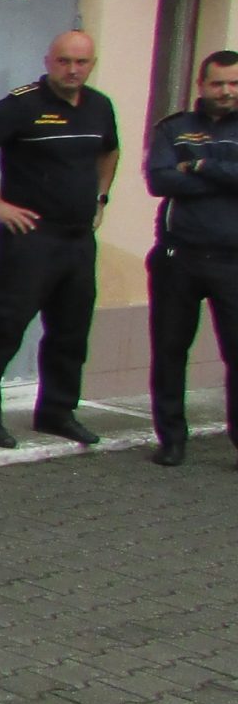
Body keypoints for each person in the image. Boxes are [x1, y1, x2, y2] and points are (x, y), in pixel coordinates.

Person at [0, 29, 119, 448]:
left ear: (92, 65)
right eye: (64, 61)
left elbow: (110, 150)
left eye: (81, 62)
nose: (72, 70)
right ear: (48, 62)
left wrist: (101, 198)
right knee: (4, 328)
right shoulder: (23, 104)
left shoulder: (99, 106)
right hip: (30, 239)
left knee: (70, 332)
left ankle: (57, 412)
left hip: (77, 239)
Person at [144, 48, 238, 467]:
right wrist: (224, 177)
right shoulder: (174, 128)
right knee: (169, 351)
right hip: (177, 257)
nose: (226, 91)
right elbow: (159, 180)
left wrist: (198, 166)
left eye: (234, 83)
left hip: (233, 260)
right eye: (218, 83)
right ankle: (171, 439)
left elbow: (183, 175)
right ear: (201, 85)